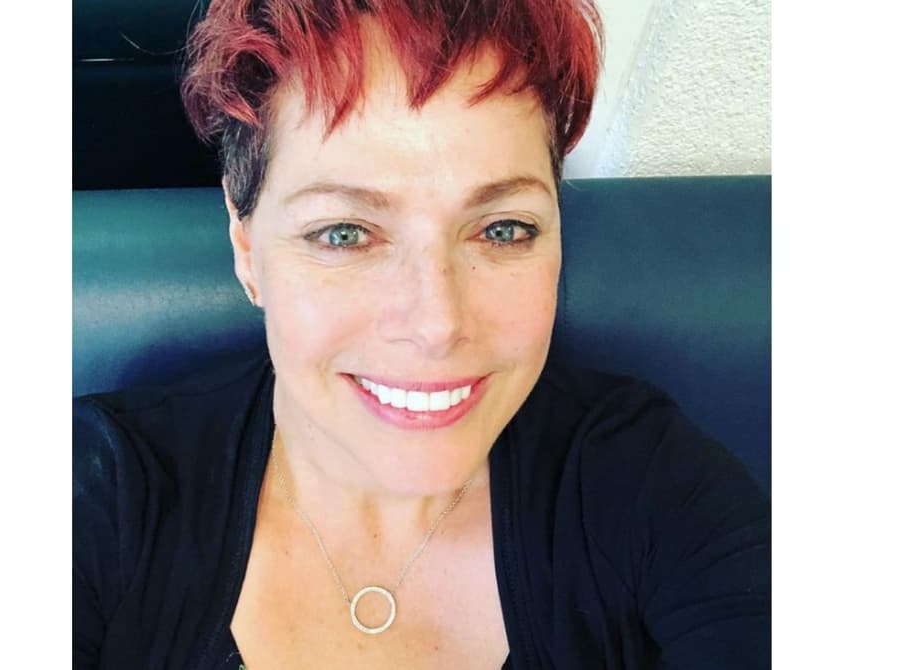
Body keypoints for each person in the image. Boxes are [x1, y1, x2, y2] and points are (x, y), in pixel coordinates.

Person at [73, 0, 770, 667]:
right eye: (344, 234)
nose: (437, 325)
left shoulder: (651, 487)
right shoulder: (98, 493)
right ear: (247, 246)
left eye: (503, 229)